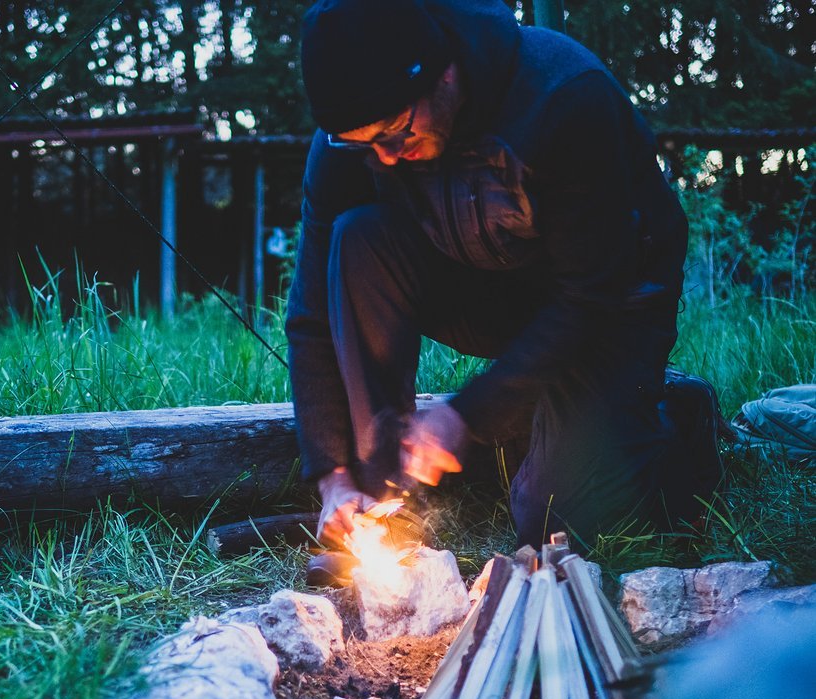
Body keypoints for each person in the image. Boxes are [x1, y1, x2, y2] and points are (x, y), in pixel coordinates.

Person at [286, 0, 723, 566]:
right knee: (356, 238)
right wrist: (334, 477)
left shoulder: (563, 97)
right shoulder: (355, 141)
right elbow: (312, 313)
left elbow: (591, 295)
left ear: (443, 72)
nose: (387, 156)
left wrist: (465, 415)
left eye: (396, 131)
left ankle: (671, 419)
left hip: (610, 304)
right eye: (363, 142)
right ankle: (380, 495)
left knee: (559, 524)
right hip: (484, 281)